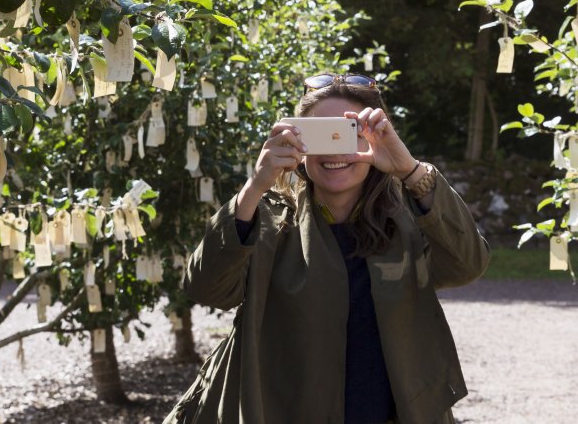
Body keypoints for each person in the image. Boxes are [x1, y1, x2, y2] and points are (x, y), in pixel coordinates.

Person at [165, 74, 491, 424]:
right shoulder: (270, 219)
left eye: (348, 134)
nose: (335, 151)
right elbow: (206, 288)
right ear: (297, 142)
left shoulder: (411, 219)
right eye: (322, 134)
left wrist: (411, 172)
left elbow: (468, 264)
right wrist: (256, 184)